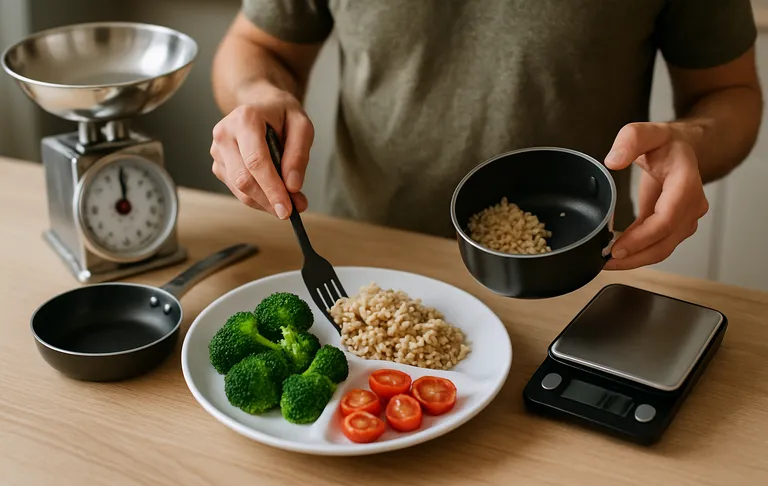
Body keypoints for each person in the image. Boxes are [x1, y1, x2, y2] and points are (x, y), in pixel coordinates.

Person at [209, 1, 762, 271]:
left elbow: (731, 94)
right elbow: (257, 47)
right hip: (363, 264)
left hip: (569, 279)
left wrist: (691, 141)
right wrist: (255, 95)